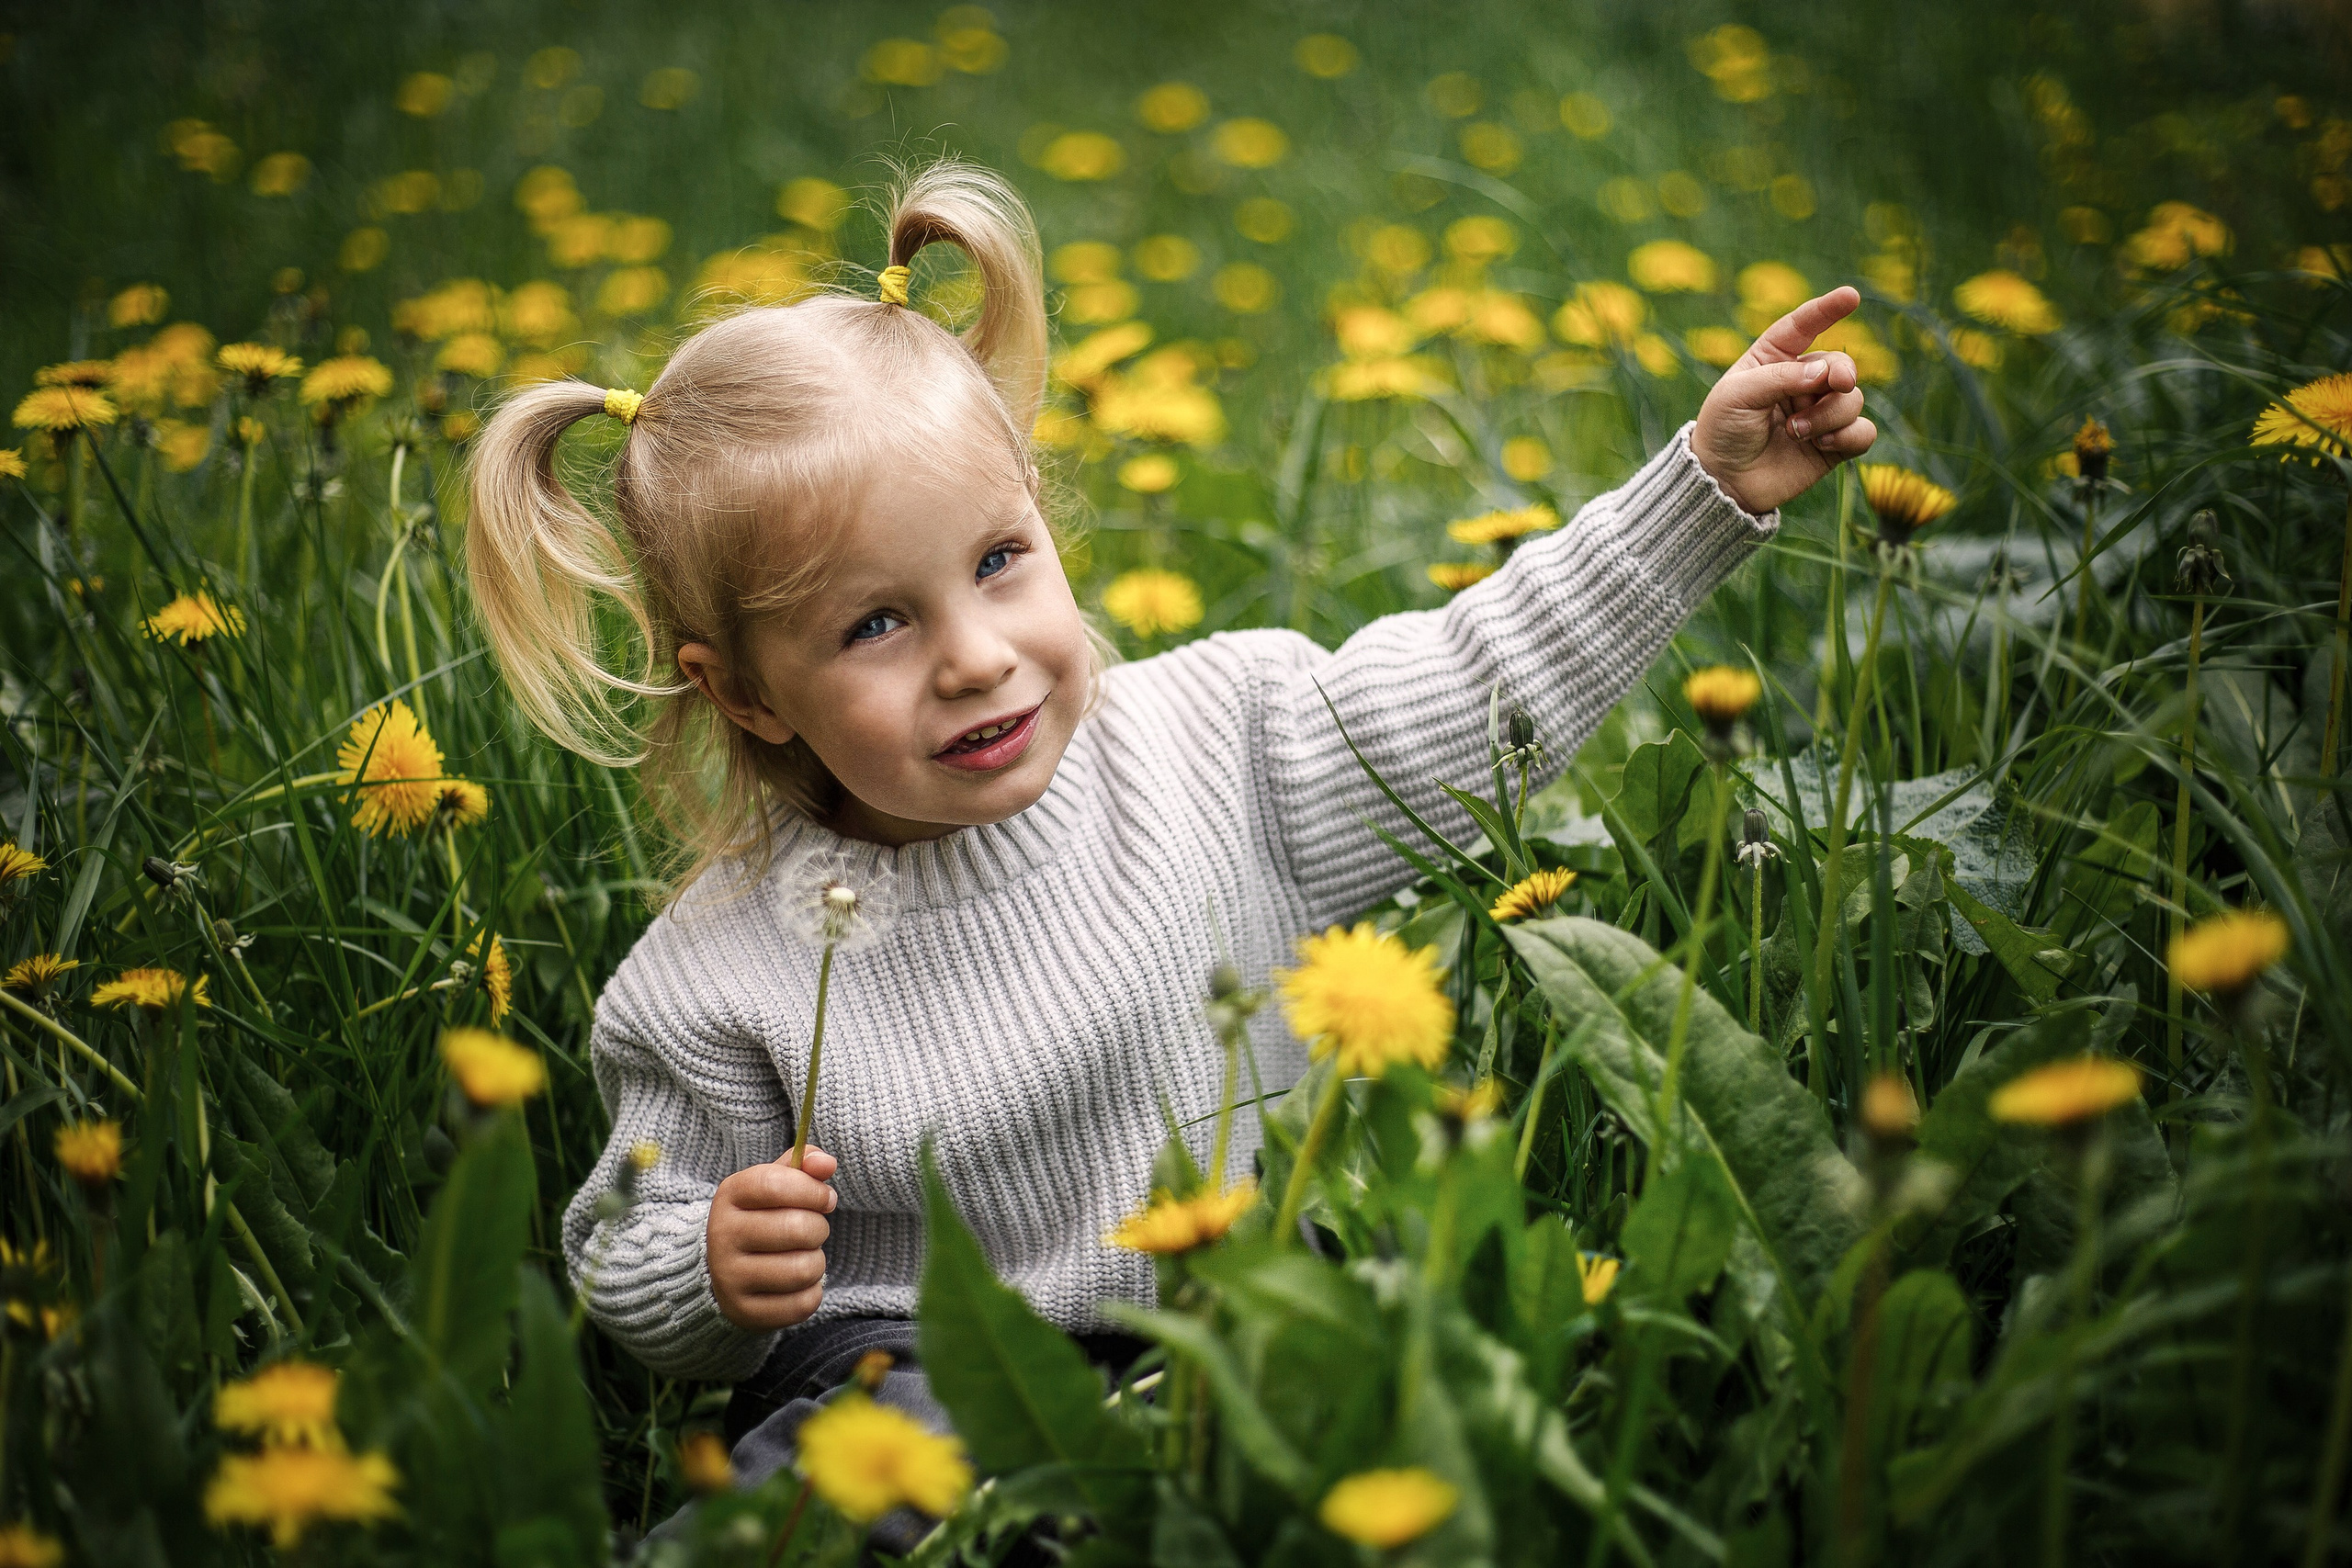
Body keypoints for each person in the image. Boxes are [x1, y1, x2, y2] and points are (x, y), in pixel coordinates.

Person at [463, 159, 1874, 1517]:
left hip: (1251, 1319)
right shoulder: (715, 974)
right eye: (876, 624)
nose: (975, 658)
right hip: (919, 1370)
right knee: (856, 1479)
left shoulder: (1227, 744)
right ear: (747, 693)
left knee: (1419, 1406)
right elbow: (617, 1234)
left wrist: (1703, 492)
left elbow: (1474, 684)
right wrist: (710, 1267)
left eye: (1000, 563)